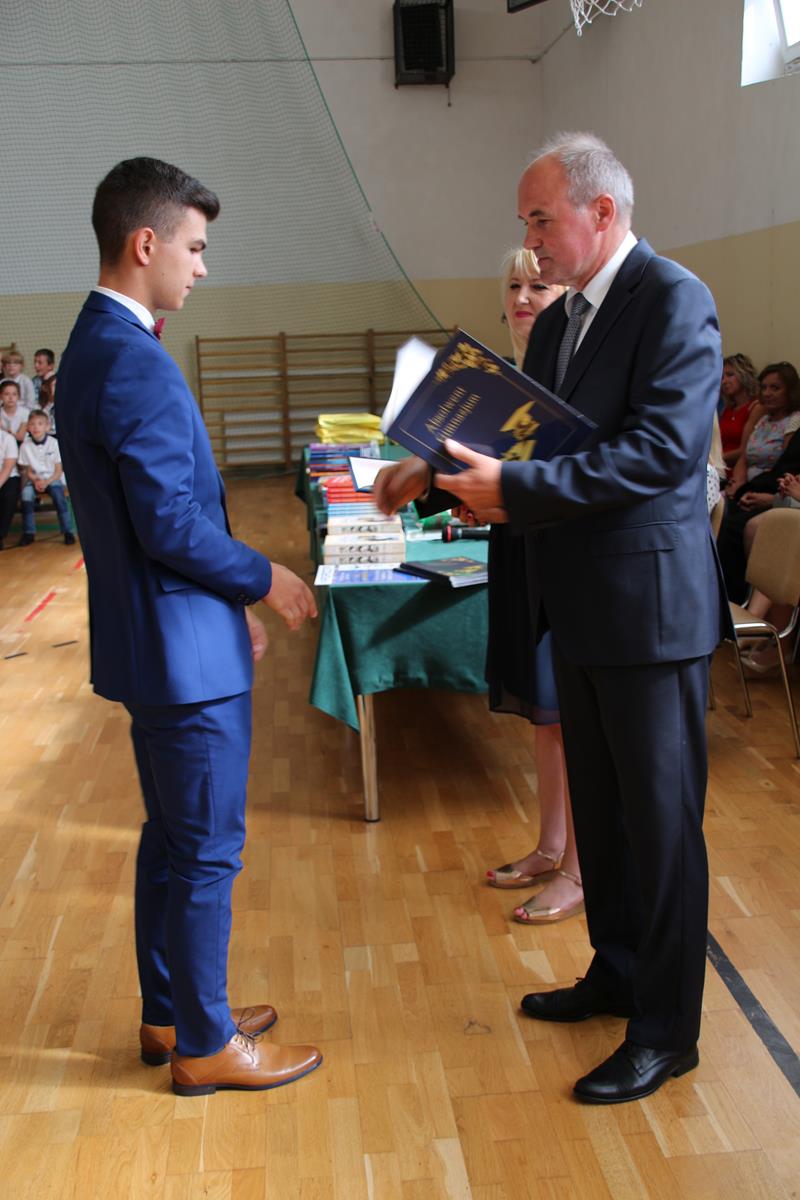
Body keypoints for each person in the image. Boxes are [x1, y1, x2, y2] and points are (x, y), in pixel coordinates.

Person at [376, 132, 727, 1105]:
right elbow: (535, 445)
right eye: (524, 222)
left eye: (540, 219)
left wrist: (516, 487)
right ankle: (616, 973)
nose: (529, 241)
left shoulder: (672, 298)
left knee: (660, 829)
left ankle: (668, 1032)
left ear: (600, 212)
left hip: (648, 614)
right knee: (605, 821)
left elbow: (659, 452)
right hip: (580, 603)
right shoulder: (564, 317)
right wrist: (435, 470)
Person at [57, 156, 322, 1097]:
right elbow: (169, 523)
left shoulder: (94, 342)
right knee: (206, 849)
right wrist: (263, 579)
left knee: (173, 838)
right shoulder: (131, 358)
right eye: (195, 247)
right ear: (146, 243)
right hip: (181, 655)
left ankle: (173, 1012)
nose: (202, 267)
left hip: (161, 640)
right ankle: (205, 1044)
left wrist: (225, 604)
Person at [484, 249, 583, 924]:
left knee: (572, 726)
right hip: (522, 558)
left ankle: (580, 867)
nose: (523, 297)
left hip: (568, 566)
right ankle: (550, 846)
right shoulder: (507, 377)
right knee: (547, 724)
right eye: (514, 286)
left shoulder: (577, 375)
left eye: (538, 285)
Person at [718, 362, 800, 603]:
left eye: (775, 388)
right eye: (764, 387)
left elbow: (787, 471)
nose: (767, 393)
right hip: (761, 486)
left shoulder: (794, 421)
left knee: (740, 526)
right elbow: (746, 456)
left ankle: (735, 600)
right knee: (722, 514)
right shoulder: (763, 418)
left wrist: (771, 498)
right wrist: (738, 484)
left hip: (777, 494)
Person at [17, 409, 75, 545]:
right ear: (28, 427)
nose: (36, 427)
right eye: (32, 424)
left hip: (52, 478)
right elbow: (27, 471)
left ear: (47, 426)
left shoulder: (54, 443)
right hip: (33, 480)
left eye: (40, 424)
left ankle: (67, 531)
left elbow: (58, 471)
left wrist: (46, 482)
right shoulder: (25, 446)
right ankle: (29, 533)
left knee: (59, 497)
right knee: (26, 496)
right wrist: (36, 481)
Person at [719, 353, 761, 471]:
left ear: (744, 375)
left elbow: (745, 449)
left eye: (730, 375)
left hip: (738, 470)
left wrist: (714, 460)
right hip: (721, 468)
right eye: (722, 377)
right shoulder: (727, 409)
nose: (724, 381)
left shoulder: (755, 407)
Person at [0, 423, 19, 550]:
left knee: (9, 495)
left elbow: (8, 466)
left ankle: (1, 534)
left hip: (8, 476)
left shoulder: (8, 438)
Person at [0, 379, 29, 444]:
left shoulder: (24, 412)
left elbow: (21, 437)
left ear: (18, 396)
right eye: (7, 394)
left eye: (14, 394)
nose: (11, 397)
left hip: (20, 444)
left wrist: (6, 432)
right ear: (1, 396)